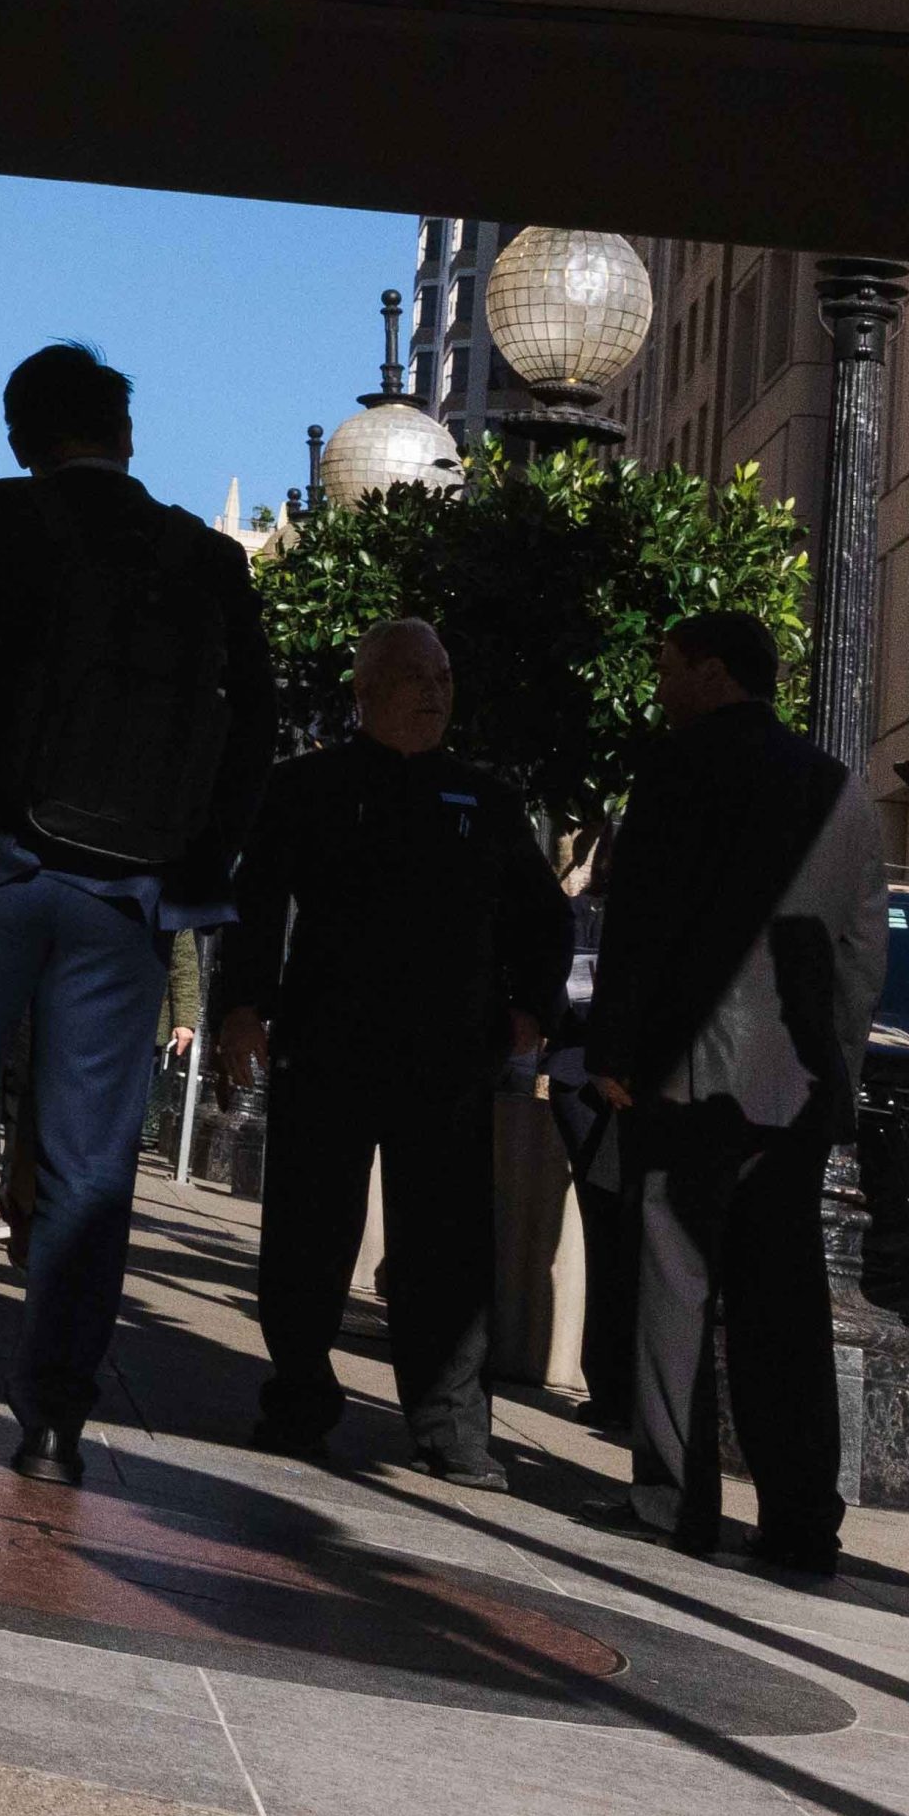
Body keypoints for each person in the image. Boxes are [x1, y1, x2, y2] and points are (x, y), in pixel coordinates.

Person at [0, 342, 271, 1484]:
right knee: (90, 1161)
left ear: (19, 436)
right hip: (129, 898)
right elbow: (252, 728)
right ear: (127, 434)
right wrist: (194, 862)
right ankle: (52, 1421)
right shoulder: (204, 556)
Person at [212, 617, 570, 1485]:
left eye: (444, 676)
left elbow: (541, 912)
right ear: (365, 692)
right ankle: (298, 1398)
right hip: (328, 1045)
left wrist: (531, 1003)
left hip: (448, 1058)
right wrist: (242, 1008)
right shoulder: (304, 789)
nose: (435, 692)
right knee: (307, 1235)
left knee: (446, 1248)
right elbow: (255, 902)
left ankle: (452, 1428)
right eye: (415, 676)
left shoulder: (484, 800)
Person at [582, 607, 883, 1577]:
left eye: (669, 668)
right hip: (789, 1083)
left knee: (674, 1283)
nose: (661, 687)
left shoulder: (674, 773)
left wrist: (617, 1055)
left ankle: (674, 1502)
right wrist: (834, 1069)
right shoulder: (838, 789)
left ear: (715, 673)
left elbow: (638, 927)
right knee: (784, 1303)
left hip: (686, 1072)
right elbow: (860, 951)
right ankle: (800, 1519)